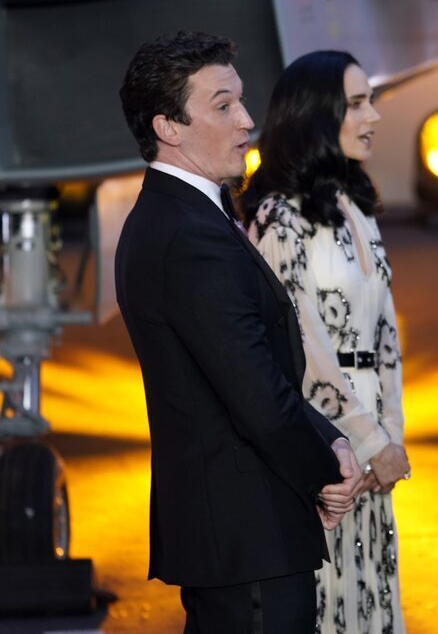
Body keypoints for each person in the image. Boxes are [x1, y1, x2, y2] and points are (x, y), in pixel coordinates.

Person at [116, 31, 362, 633]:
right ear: (168, 127)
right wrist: (326, 469)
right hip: (246, 533)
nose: (247, 120)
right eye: (223, 106)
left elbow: (251, 374)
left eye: (242, 101)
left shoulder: (188, 216)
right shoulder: (189, 234)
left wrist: (329, 440)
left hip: (237, 532)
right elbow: (255, 393)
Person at [240, 50, 409, 634]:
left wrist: (391, 442)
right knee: (325, 602)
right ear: (317, 113)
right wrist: (364, 441)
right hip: (321, 443)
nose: (373, 116)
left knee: (368, 598)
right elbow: (303, 348)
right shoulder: (274, 218)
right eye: (357, 102)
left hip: (372, 448)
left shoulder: (355, 207)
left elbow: (387, 337)